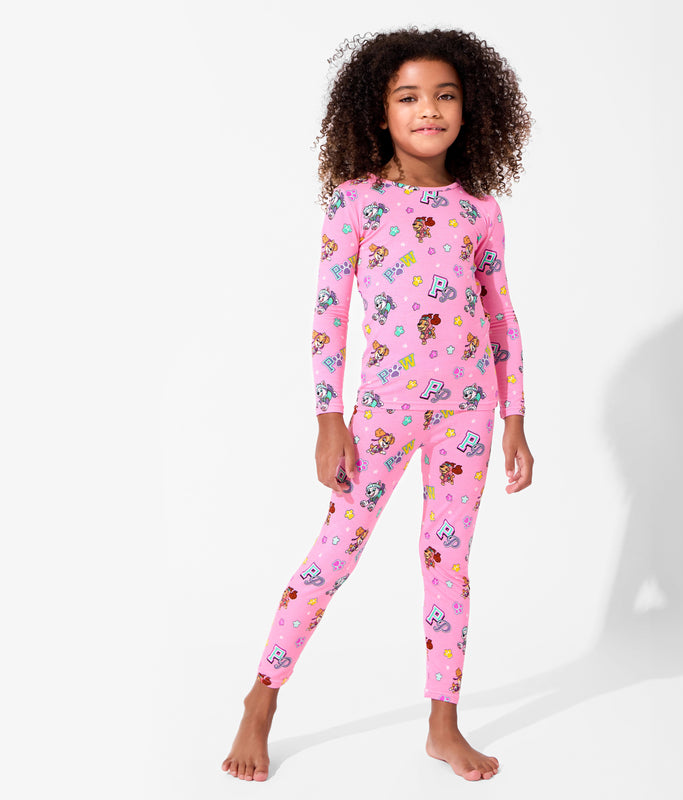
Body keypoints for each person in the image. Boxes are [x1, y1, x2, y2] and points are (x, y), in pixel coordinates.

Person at [222, 26, 534, 783]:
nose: (429, 110)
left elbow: (501, 317)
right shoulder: (356, 201)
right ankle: (261, 698)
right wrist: (328, 420)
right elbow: (328, 316)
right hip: (382, 415)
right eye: (409, 97)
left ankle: (443, 725)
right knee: (335, 553)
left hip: (468, 415)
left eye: (445, 95)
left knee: (448, 565)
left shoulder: (479, 209)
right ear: (380, 111)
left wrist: (515, 420)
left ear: (470, 108)